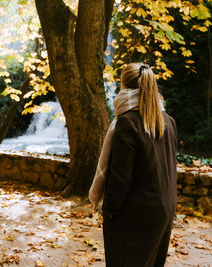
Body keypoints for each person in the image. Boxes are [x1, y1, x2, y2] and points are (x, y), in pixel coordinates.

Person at [89, 62, 178, 267]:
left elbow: (121, 178)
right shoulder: (168, 120)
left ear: (124, 85)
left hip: (135, 211)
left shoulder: (126, 122)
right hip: (165, 207)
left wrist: (109, 211)